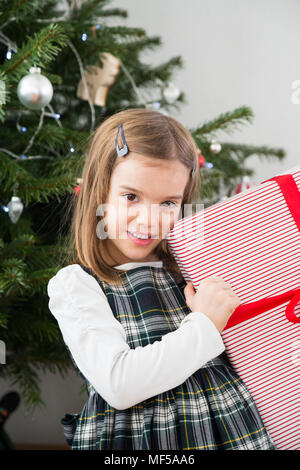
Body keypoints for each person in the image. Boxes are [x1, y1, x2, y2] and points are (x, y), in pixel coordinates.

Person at [47, 108, 276, 450]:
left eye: (168, 202)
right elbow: (119, 384)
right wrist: (204, 326)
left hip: (229, 434)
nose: (149, 218)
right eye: (131, 196)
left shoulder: (191, 267)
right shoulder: (77, 285)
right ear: (100, 191)